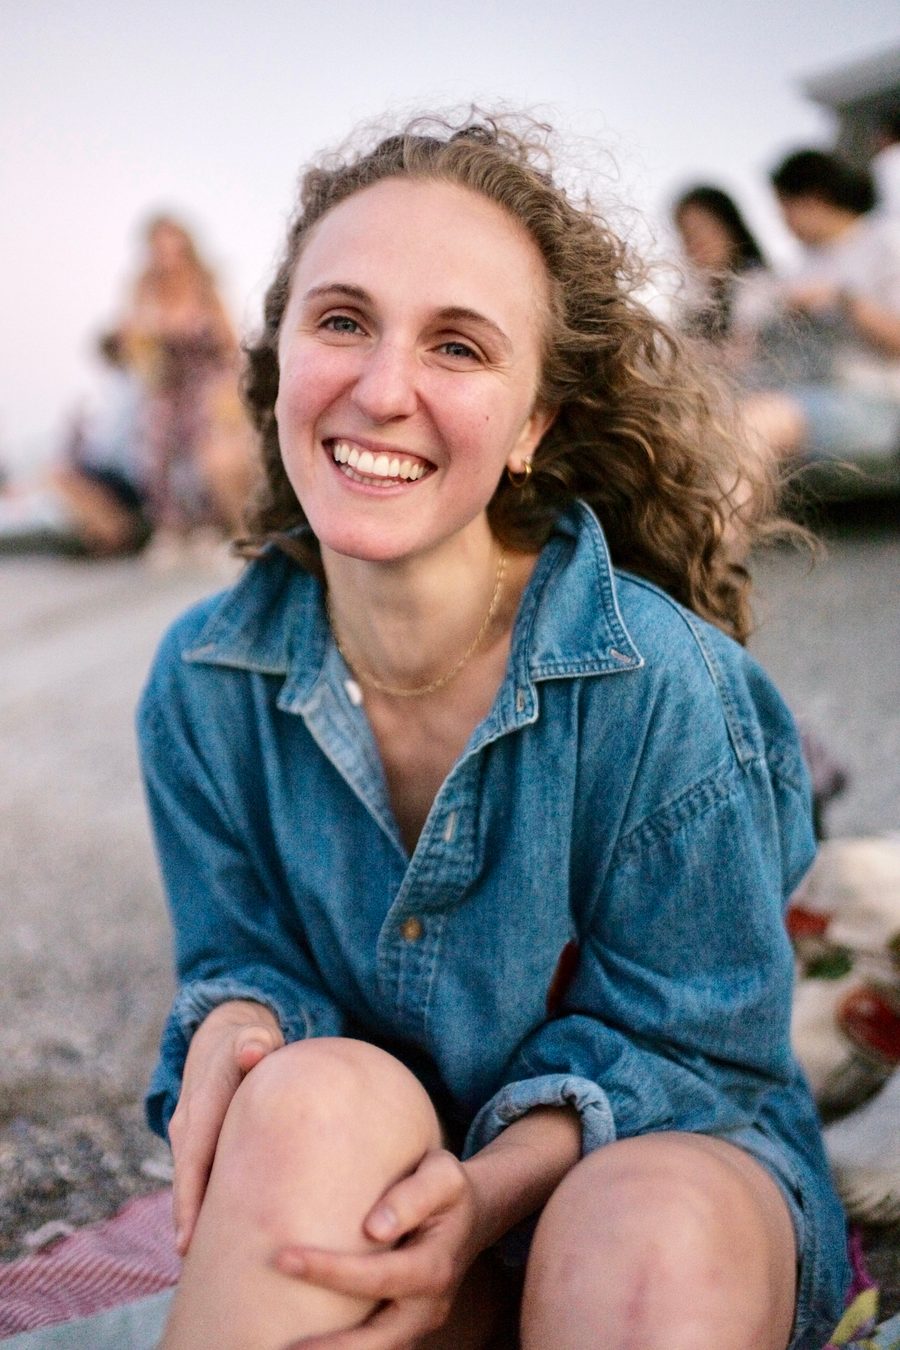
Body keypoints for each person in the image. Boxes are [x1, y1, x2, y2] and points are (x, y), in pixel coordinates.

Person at [139, 114, 849, 1350]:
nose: (381, 389)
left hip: (659, 1157)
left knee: (644, 1220)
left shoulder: (662, 686)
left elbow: (700, 1048)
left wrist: (489, 1196)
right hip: (379, 1166)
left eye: (457, 344)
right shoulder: (204, 683)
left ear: (531, 424)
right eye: (343, 320)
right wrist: (239, 1027)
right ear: (281, 357)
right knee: (305, 1099)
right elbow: (241, 958)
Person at [0, 215, 255, 557]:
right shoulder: (144, 290)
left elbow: (229, 344)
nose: (167, 254)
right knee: (156, 456)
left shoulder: (204, 289)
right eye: (159, 246)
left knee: (202, 457)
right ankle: (171, 529)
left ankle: (209, 527)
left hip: (205, 388)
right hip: (162, 389)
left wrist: (231, 392)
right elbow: (129, 339)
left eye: (173, 244)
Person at [741, 149, 900, 465]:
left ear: (813, 199)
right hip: (808, 397)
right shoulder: (801, 267)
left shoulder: (886, 239)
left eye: (784, 208)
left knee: (754, 424)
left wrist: (843, 300)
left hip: (880, 400)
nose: (782, 221)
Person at [672, 183, 768, 354]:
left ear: (729, 228)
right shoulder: (696, 300)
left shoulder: (762, 288)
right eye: (686, 237)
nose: (695, 246)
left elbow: (743, 353)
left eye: (701, 233)